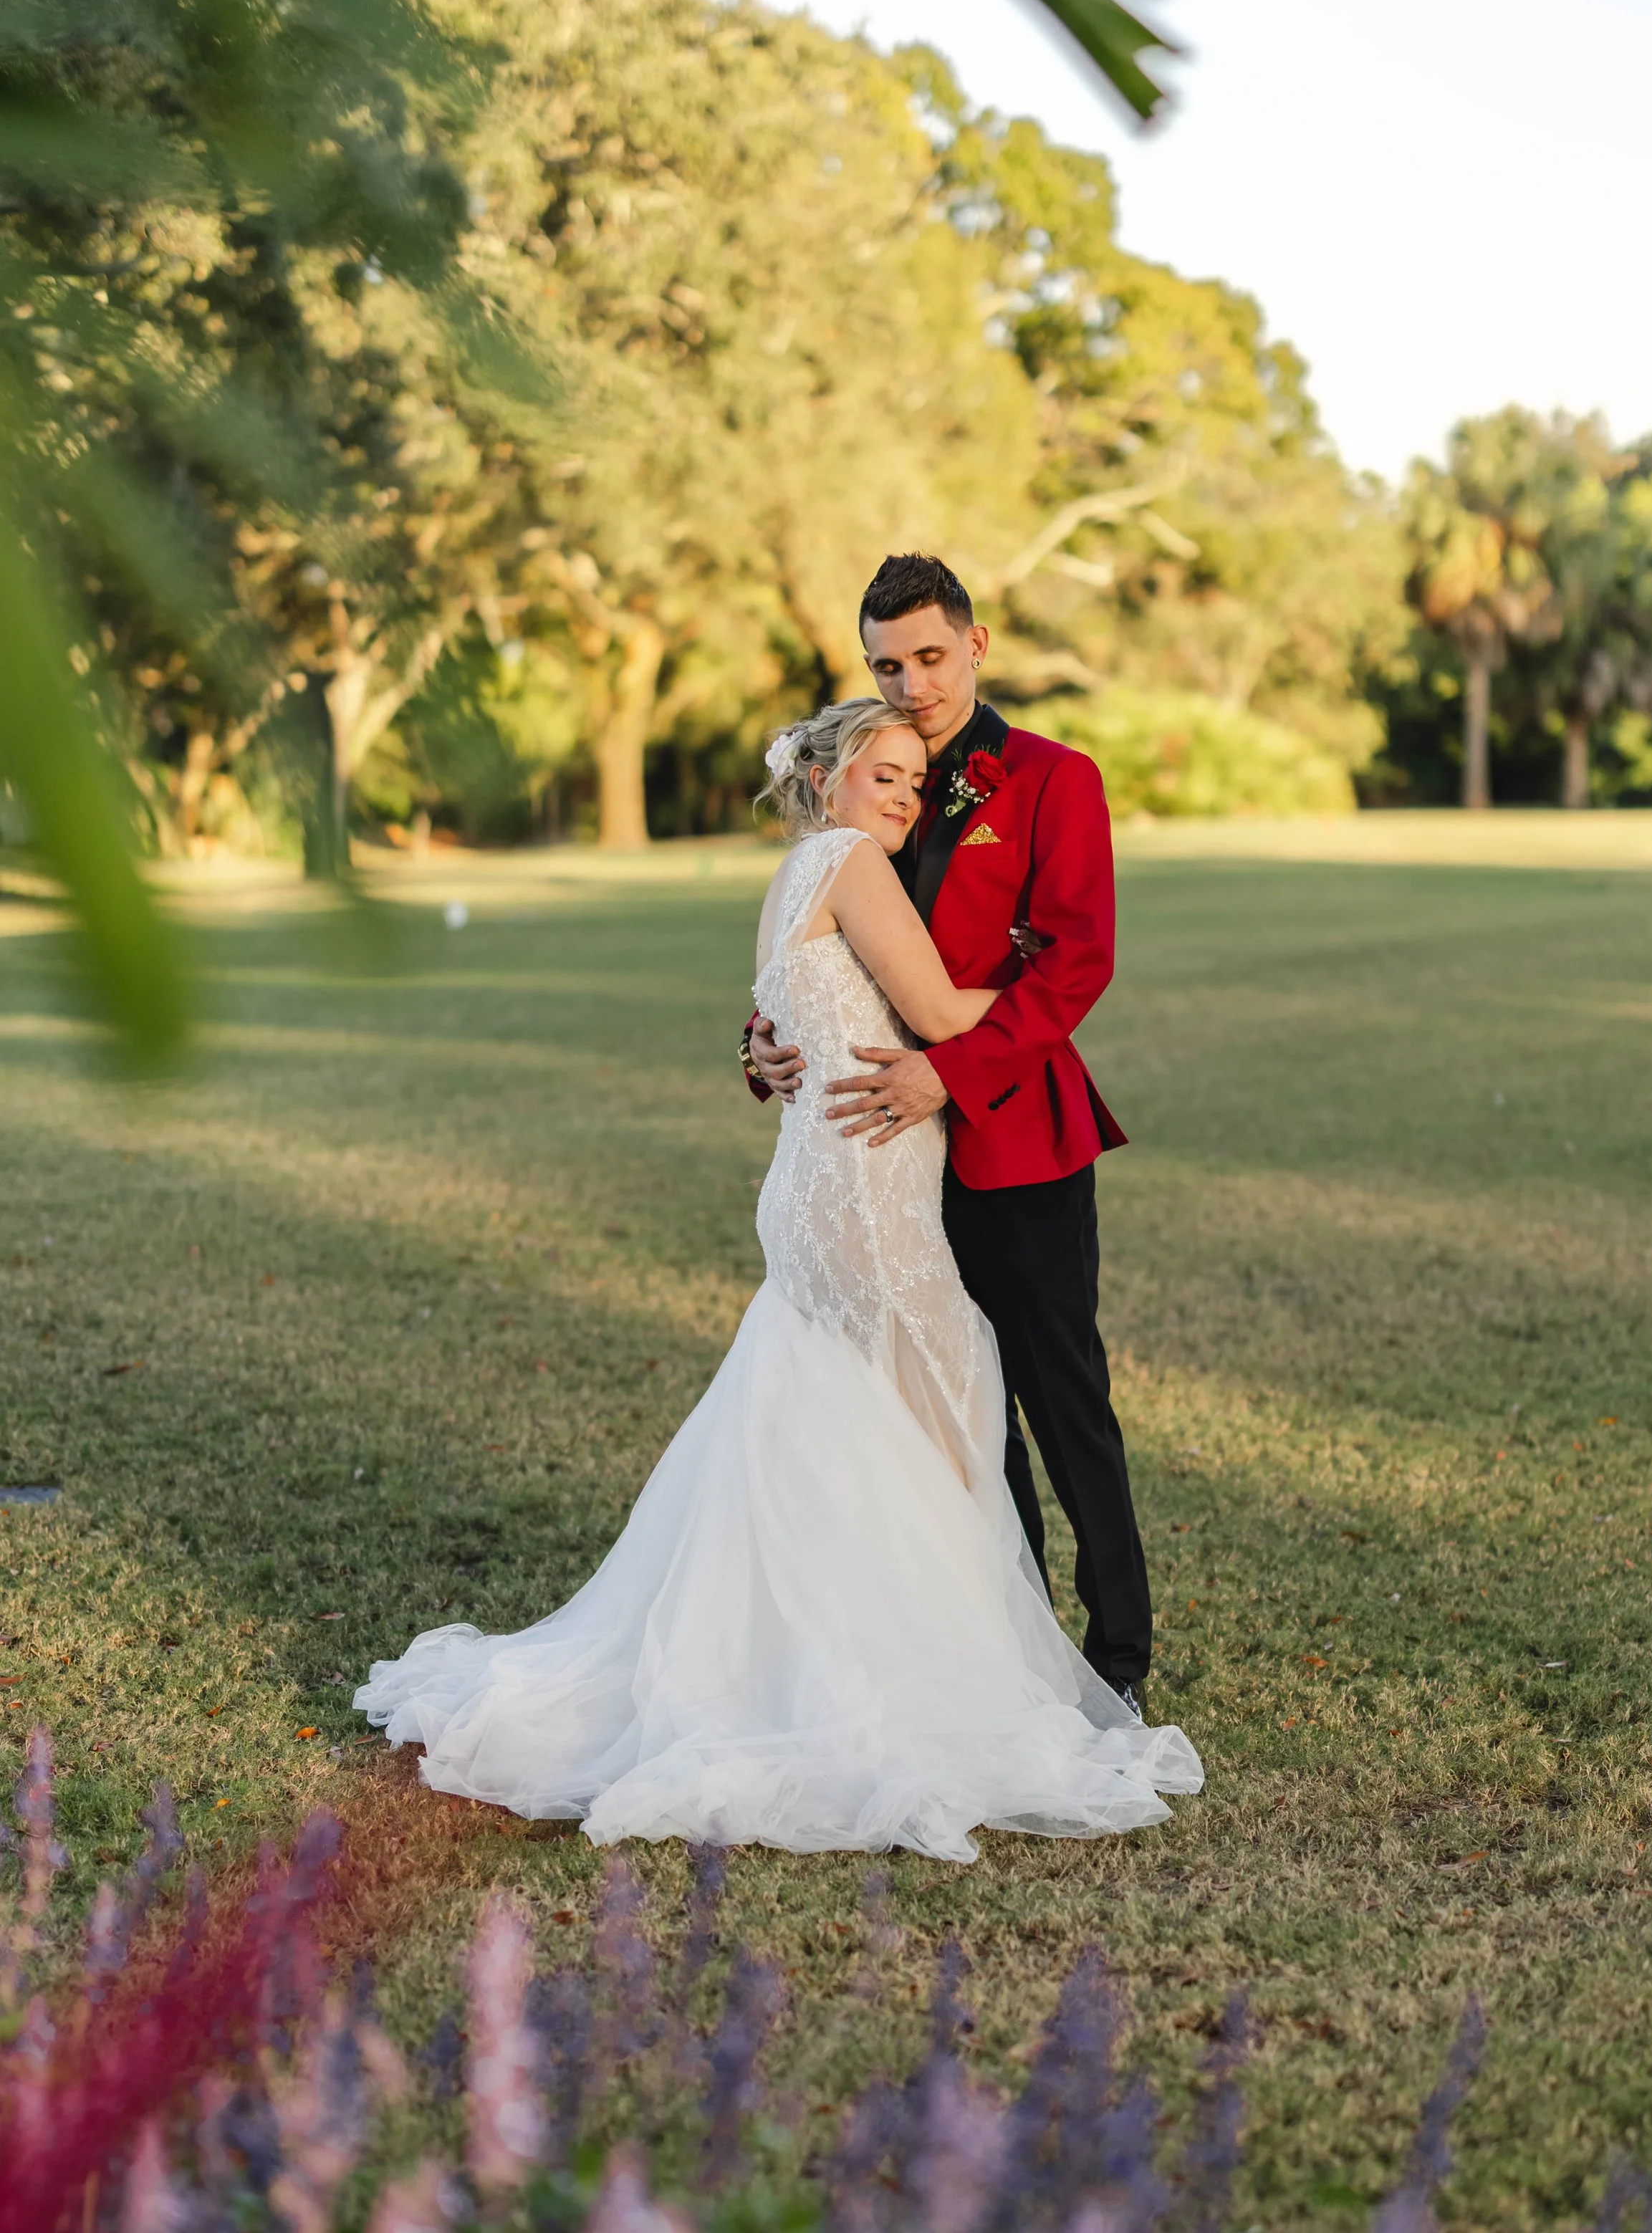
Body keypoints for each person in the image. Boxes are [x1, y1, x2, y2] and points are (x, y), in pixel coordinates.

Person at [355, 701, 1201, 1862]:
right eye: (885, 775)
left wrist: (778, 1042)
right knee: (948, 1400)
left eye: (913, 778)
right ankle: (934, 1674)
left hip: (845, 1182)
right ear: (829, 778)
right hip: (863, 1190)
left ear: (970, 651)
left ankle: (938, 1652)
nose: (906, 797)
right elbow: (940, 1009)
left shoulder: (837, 855)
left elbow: (804, 999)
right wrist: (1026, 992)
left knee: (853, 1415)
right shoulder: (852, 859)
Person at [748, 554, 1157, 1714]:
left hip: (1016, 1136)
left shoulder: (1053, 779)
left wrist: (949, 1071)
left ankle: (1118, 1652)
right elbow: (828, 955)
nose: (913, 680)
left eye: (930, 655)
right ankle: (1009, 1649)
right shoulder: (876, 782)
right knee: (959, 1411)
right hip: (890, 1159)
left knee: (1059, 1393)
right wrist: (762, 1043)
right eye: (887, 663)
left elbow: (1078, 961)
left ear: (975, 645)